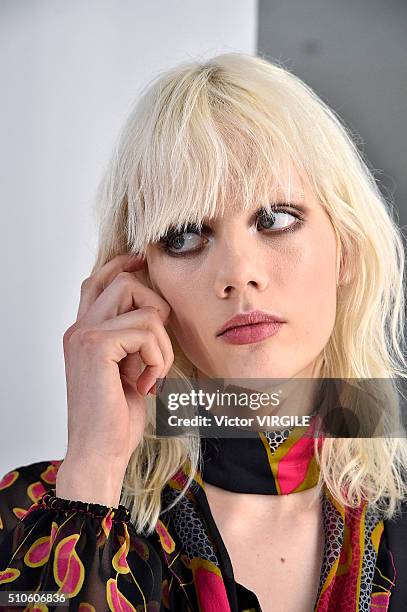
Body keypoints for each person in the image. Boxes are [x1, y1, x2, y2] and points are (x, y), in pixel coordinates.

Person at [1, 52, 407, 612]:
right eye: (186, 235)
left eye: (277, 219)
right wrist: (94, 466)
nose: (239, 273)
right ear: (141, 278)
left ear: (346, 249)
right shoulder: (27, 517)